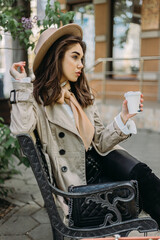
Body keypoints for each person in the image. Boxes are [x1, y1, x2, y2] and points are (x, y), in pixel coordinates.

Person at [10, 23, 160, 227]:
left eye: (81, 58)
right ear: (56, 57)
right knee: (137, 189)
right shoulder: (38, 100)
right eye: (74, 57)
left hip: (101, 160)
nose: (81, 64)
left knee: (143, 175)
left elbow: (100, 141)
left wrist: (123, 117)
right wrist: (21, 85)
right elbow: (21, 130)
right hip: (80, 178)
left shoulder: (80, 94)